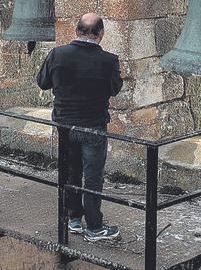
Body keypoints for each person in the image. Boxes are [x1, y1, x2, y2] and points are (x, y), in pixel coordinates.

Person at [37, 13, 123, 242]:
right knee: (93, 177)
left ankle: (73, 218)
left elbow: (42, 82)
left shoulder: (58, 54)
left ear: (77, 31)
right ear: (101, 34)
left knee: (71, 171)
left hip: (64, 124)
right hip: (92, 125)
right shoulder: (109, 60)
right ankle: (94, 227)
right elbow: (115, 89)